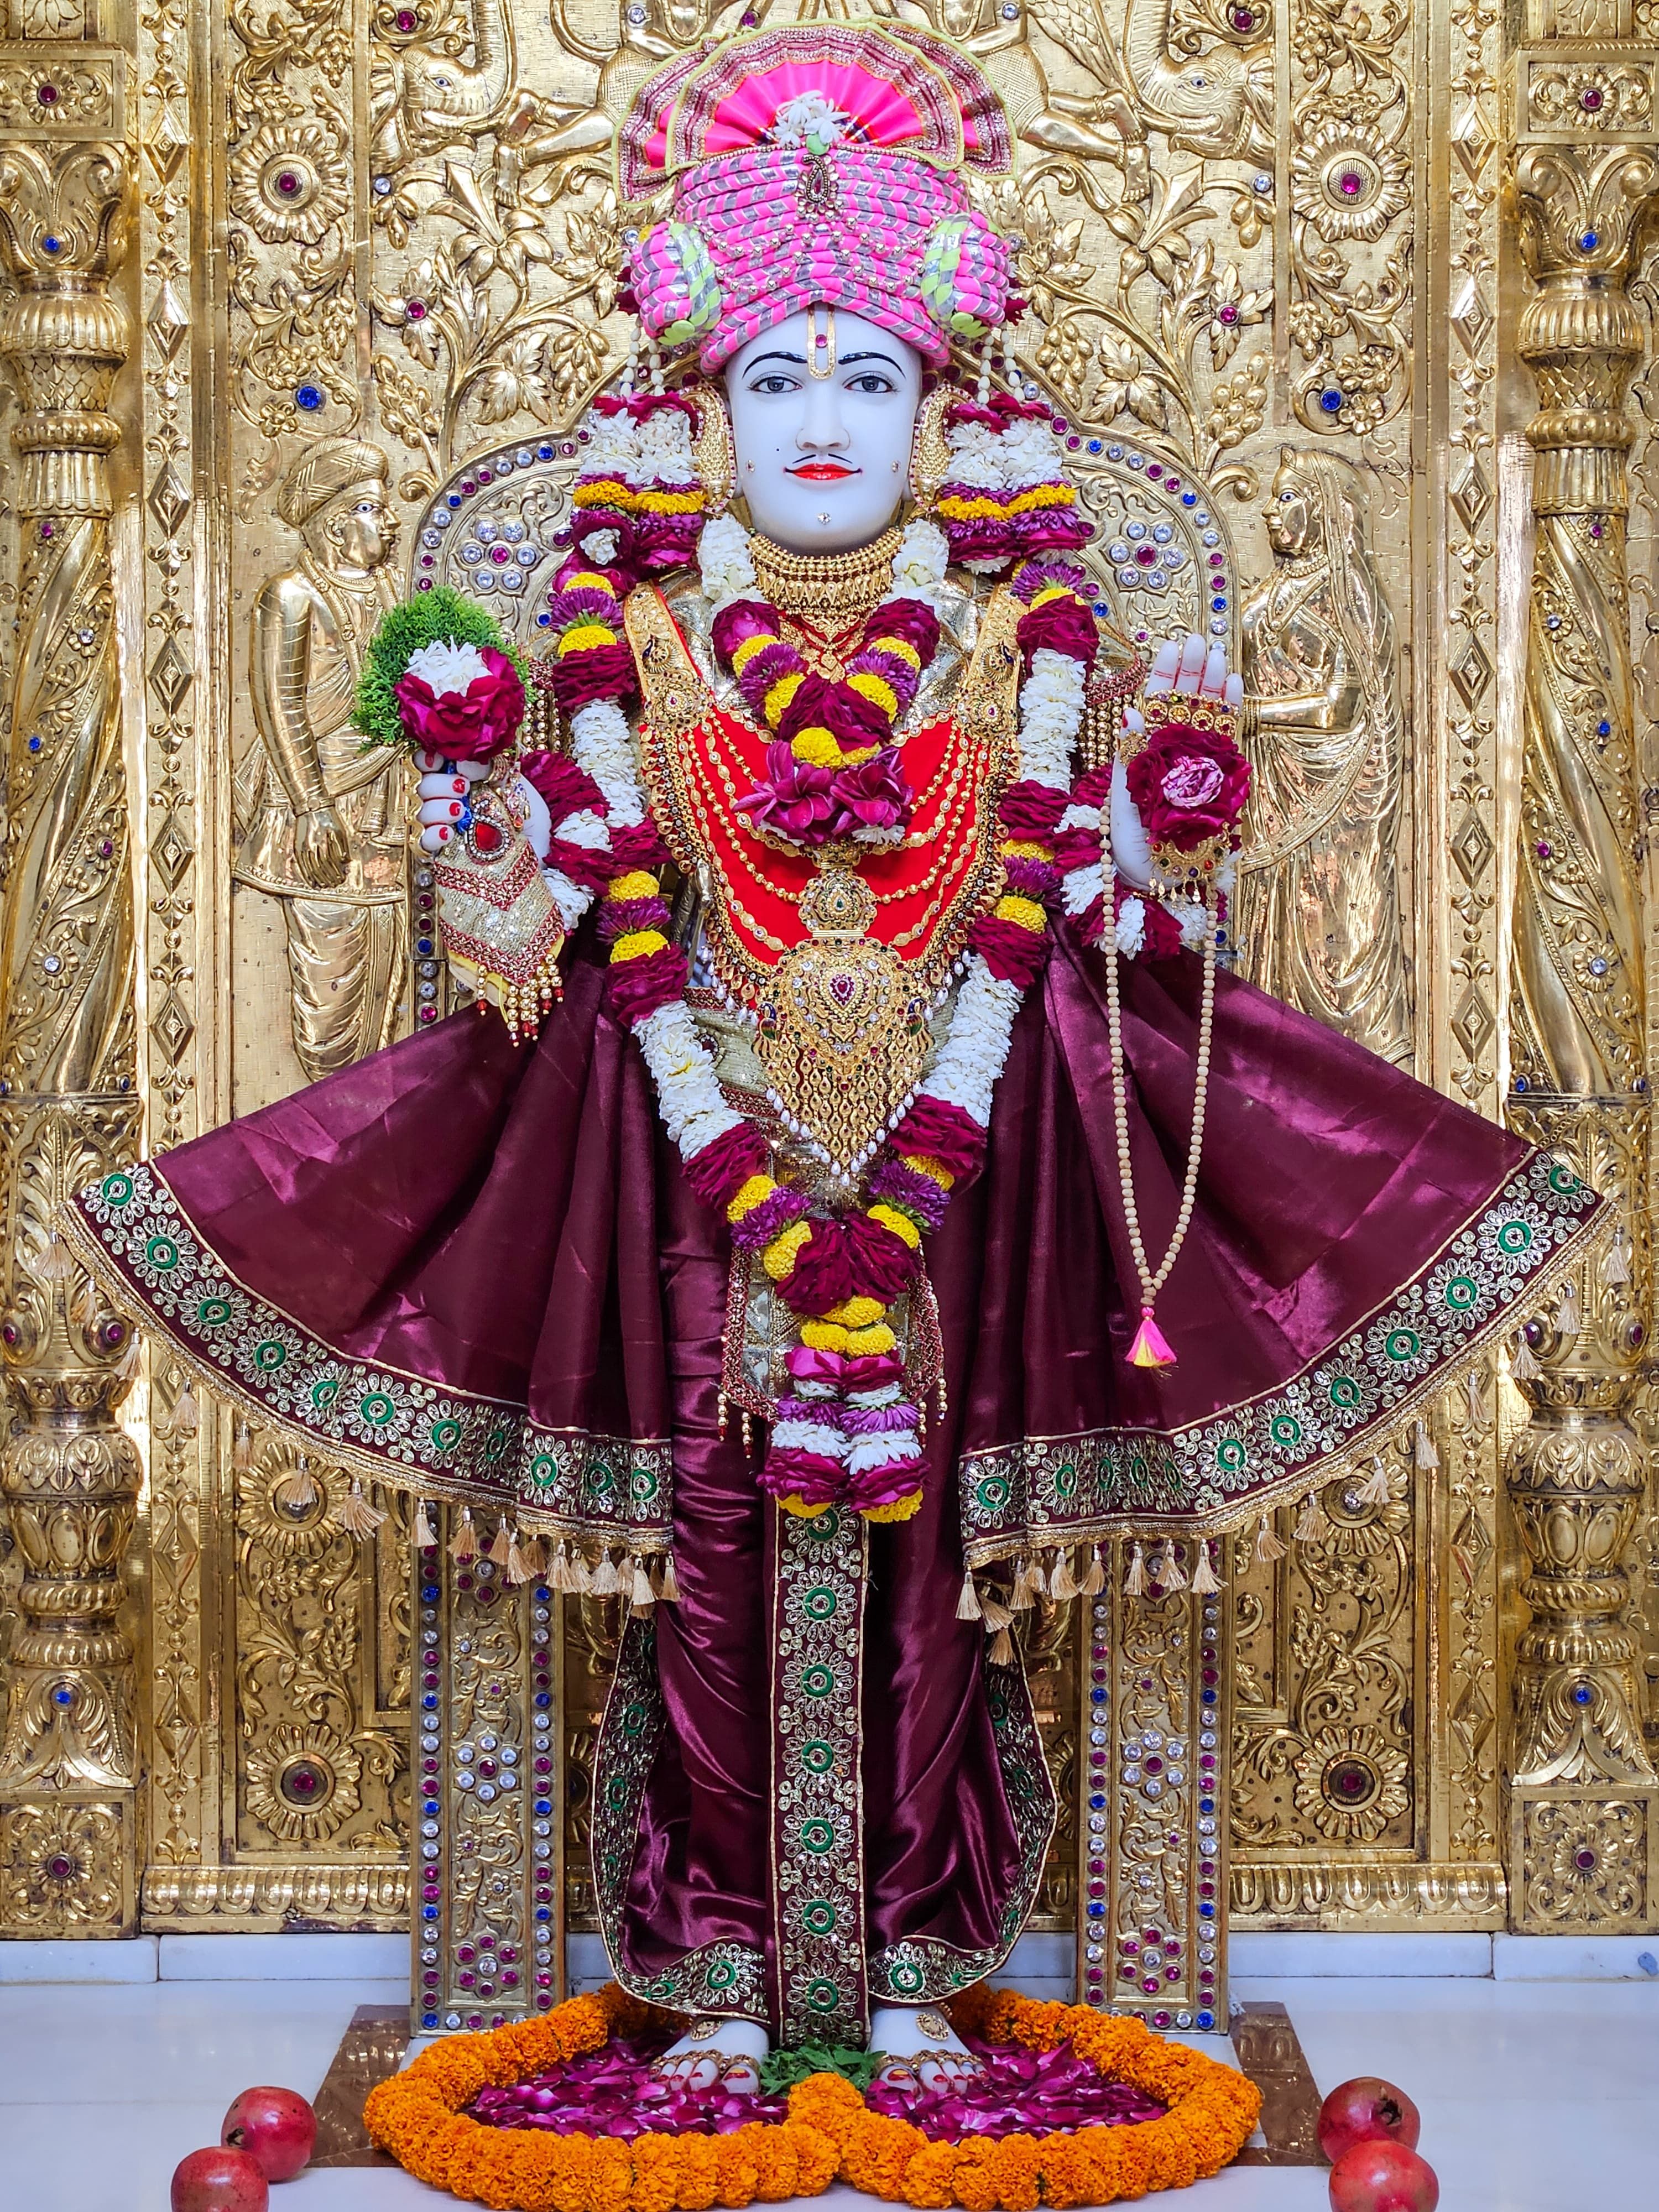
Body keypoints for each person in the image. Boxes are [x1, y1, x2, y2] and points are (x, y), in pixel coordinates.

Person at [66, 25, 1601, 2086]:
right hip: (693, 1181)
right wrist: (488, 844)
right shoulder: (643, 652)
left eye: (866, 376)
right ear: (699, 411)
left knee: (931, 1580)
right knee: (712, 1555)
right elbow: (538, 956)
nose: (818, 420)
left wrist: (1156, 837)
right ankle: (712, 1974)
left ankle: (908, 1963)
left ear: (942, 409)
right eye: (772, 378)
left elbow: (1092, 915)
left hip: (965, 1178)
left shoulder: (1008, 650)